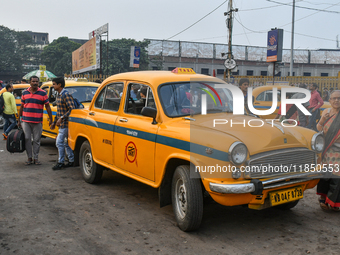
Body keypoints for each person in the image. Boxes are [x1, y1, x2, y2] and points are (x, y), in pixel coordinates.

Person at [18, 76, 53, 165]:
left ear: (38, 82)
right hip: (26, 121)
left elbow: (48, 106)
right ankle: (29, 158)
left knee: (37, 140)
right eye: (33, 81)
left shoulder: (43, 93)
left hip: (37, 121)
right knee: (27, 139)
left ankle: (36, 158)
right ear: (30, 82)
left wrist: (51, 119)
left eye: (36, 81)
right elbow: (21, 107)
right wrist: (19, 120)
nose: (35, 83)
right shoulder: (25, 92)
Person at [316, 90, 340, 211]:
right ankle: (323, 199)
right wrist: (321, 121)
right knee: (325, 176)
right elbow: (318, 129)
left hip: (338, 151)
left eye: (339, 98)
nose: (336, 100)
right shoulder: (326, 112)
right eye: (334, 98)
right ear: (329, 100)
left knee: (337, 178)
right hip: (327, 150)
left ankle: (333, 202)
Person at [49, 77, 76, 170]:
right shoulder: (59, 95)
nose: (53, 86)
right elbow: (59, 111)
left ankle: (61, 162)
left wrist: (61, 118)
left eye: (54, 84)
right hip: (62, 123)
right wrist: (54, 121)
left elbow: (72, 109)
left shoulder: (66, 95)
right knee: (66, 143)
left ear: (59, 85)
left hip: (66, 123)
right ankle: (71, 160)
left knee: (59, 142)